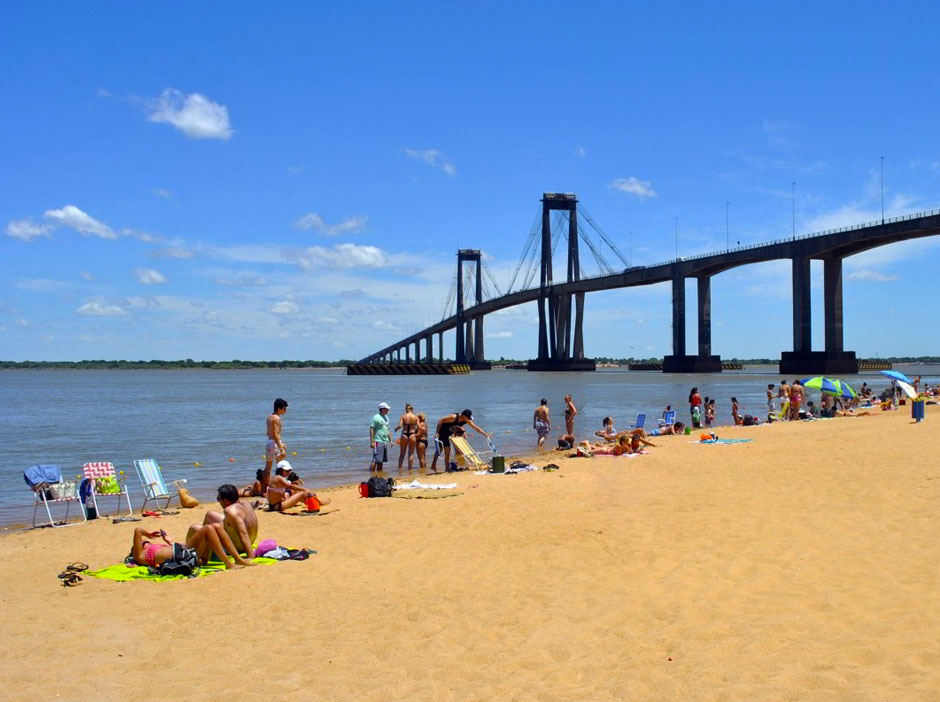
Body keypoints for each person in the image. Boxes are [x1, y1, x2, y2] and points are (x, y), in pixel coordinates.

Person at [131, 524, 253, 570]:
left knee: (215, 526)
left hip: (188, 555)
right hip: (184, 558)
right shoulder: (140, 556)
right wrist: (149, 534)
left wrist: (169, 542)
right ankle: (228, 563)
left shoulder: (157, 549)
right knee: (208, 529)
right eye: (144, 543)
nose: (147, 542)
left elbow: (177, 549)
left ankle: (237, 558)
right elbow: (138, 530)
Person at [195, 484, 260, 558]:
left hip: (239, 547)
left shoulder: (229, 511)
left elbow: (243, 533)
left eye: (218, 499)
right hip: (251, 541)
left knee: (196, 527)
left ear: (226, 501)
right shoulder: (245, 504)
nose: (219, 502)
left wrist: (250, 555)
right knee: (210, 515)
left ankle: (204, 543)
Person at [265, 398, 288, 486]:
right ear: (279, 408)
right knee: (281, 465)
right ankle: (280, 484)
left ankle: (265, 486)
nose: (285, 410)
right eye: (284, 408)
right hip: (275, 443)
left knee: (268, 467)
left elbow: (268, 433)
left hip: (269, 442)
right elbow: (275, 434)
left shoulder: (269, 417)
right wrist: (281, 446)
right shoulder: (277, 418)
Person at [394, 403, 419, 473]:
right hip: (412, 435)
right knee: (411, 454)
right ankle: (410, 470)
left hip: (404, 434)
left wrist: (396, 429)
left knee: (402, 454)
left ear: (406, 409)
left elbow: (400, 426)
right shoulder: (415, 417)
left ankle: (399, 469)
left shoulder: (403, 416)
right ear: (412, 409)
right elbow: (419, 427)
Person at [369, 402, 392, 474]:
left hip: (384, 441)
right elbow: (371, 429)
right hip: (377, 441)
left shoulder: (386, 418)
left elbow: (388, 430)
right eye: (387, 409)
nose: (388, 410)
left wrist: (390, 440)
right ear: (382, 409)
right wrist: (372, 441)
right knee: (375, 460)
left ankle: (379, 475)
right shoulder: (376, 417)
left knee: (381, 460)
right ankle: (371, 475)